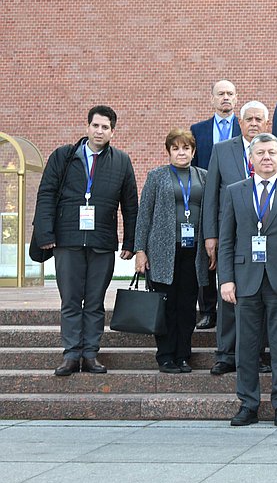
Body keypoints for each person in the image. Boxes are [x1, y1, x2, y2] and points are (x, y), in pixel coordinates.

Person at [32, 105, 138, 377]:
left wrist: (130, 242)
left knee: (94, 301)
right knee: (70, 299)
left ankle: (90, 354)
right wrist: (45, 234)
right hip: (67, 240)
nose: (99, 131)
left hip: (102, 241)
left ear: (112, 131)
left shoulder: (122, 161)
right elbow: (46, 194)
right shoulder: (63, 156)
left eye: (105, 127)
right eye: (96, 125)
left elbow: (129, 204)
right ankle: (70, 355)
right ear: (87, 127)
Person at [219, 133, 277, 426]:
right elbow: (226, 240)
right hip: (245, 280)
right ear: (251, 158)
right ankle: (248, 404)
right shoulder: (235, 191)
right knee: (246, 346)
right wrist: (226, 279)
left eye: (272, 152)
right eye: (260, 153)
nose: (266, 158)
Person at [134, 129, 209, 373]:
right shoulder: (156, 176)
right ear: (169, 151)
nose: (181, 152)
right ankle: (165, 355)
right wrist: (140, 250)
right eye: (175, 148)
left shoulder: (204, 177)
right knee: (166, 305)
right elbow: (144, 215)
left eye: (185, 148)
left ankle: (183, 355)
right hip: (162, 251)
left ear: (193, 151)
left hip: (194, 252)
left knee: (187, 307)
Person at [202, 100, 269, 375]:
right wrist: (210, 235)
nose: (253, 123)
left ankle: (259, 354)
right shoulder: (222, 151)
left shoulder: (275, 151)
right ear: (240, 123)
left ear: (266, 124)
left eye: (258, 119)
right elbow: (211, 195)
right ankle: (226, 354)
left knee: (263, 296)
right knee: (228, 294)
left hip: (266, 237)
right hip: (231, 236)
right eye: (249, 119)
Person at [190, 79, 241, 331]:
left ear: (236, 98)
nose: (225, 98)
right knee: (208, 258)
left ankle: (232, 306)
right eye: (220, 94)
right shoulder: (198, 130)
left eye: (230, 94)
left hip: (237, 201)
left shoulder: (245, 129)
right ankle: (208, 310)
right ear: (212, 99)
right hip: (207, 201)